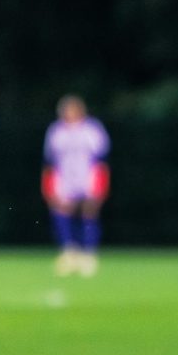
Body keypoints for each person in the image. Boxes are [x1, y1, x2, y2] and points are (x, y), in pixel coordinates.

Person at [42, 95, 110, 277]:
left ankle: (89, 255)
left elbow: (102, 159)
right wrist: (49, 186)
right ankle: (69, 252)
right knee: (61, 211)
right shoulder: (56, 131)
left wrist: (101, 184)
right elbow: (50, 162)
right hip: (64, 178)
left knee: (89, 211)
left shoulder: (92, 129)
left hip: (87, 177)